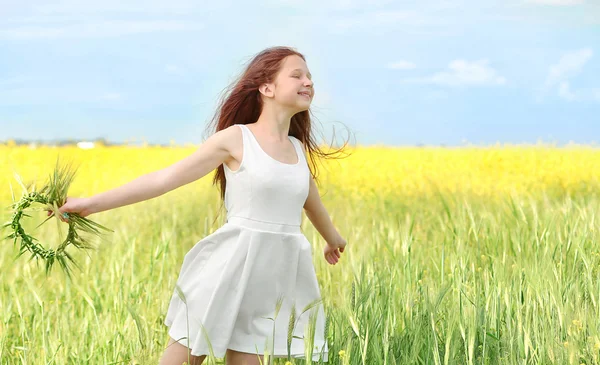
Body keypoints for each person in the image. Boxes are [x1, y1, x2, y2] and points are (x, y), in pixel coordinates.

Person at [49, 46, 349, 365]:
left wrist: (333, 239)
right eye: (297, 75)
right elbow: (164, 179)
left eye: (310, 76)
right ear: (267, 87)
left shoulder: (296, 149)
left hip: (271, 281)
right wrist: (90, 204)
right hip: (228, 268)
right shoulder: (236, 139)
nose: (308, 82)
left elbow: (309, 201)